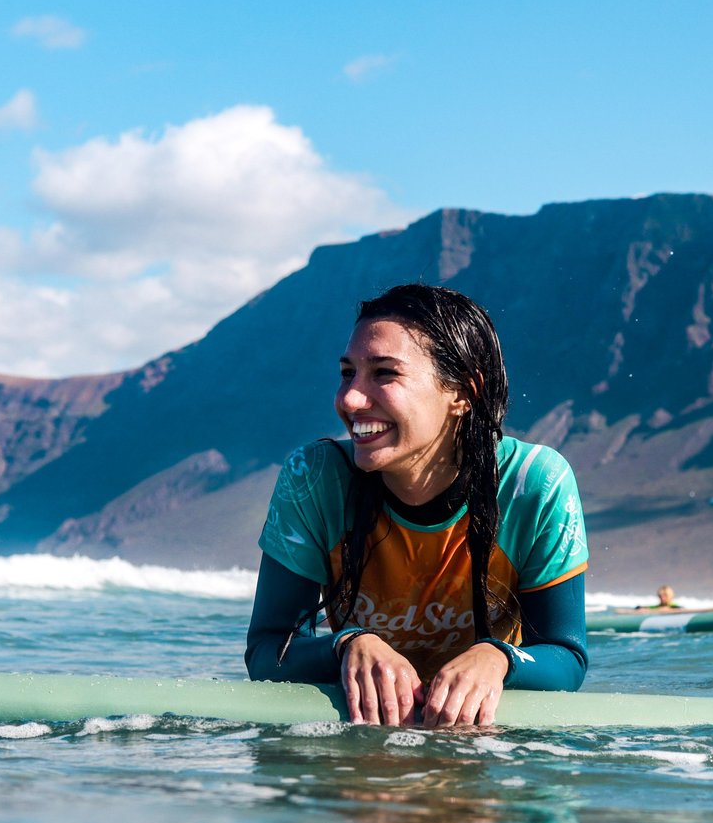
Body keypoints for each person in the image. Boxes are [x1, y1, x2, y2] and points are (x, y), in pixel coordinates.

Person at [246, 283, 589, 728]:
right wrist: (348, 644)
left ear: (464, 392)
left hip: (485, 749)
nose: (349, 399)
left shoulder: (532, 484)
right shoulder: (314, 478)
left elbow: (567, 655)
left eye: (384, 374)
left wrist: (498, 658)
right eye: (348, 373)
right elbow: (268, 651)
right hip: (366, 747)